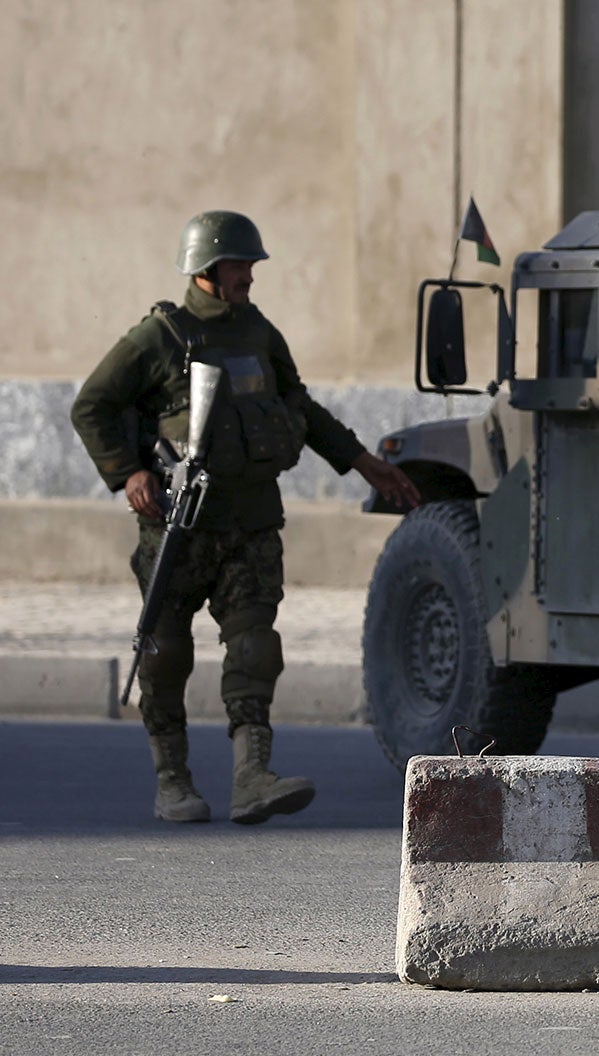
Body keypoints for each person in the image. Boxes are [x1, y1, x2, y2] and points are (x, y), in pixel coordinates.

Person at [70, 211, 421, 824]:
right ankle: (173, 780)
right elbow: (91, 405)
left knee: (256, 647)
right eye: (242, 264)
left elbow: (301, 408)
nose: (251, 275)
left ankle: (252, 777)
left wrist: (364, 462)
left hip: (251, 523)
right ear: (208, 268)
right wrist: (130, 473)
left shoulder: (259, 332)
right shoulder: (159, 337)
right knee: (166, 652)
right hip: (179, 527)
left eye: (252, 265)